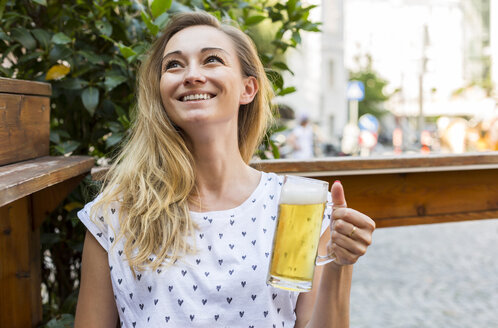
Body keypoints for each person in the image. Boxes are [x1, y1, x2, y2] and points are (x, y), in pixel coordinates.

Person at [74, 11, 375, 328]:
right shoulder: (115, 214)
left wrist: (341, 264)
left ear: (248, 89)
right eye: (174, 64)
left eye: (211, 60)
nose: (191, 75)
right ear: (162, 93)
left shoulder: (296, 206)